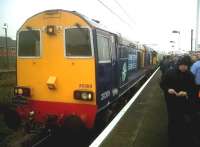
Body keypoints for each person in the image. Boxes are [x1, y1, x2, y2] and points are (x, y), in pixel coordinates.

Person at [160, 55, 196, 147]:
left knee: (182, 120)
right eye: (182, 65)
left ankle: (181, 139)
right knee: (172, 120)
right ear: (179, 64)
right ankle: (171, 140)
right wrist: (168, 90)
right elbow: (162, 84)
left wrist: (186, 93)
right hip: (171, 101)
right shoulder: (169, 73)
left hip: (184, 101)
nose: (184, 67)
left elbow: (194, 89)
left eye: (186, 66)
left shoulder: (190, 75)